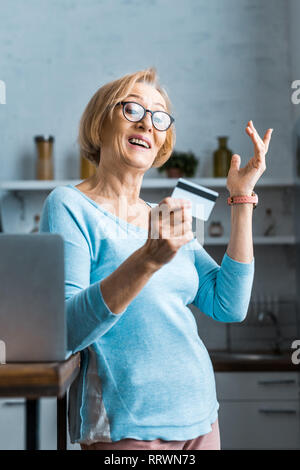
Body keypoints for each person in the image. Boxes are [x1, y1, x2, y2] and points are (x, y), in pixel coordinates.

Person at [39, 67, 273, 451]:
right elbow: (64, 332)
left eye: (158, 116)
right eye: (132, 109)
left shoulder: (163, 217)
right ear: (100, 124)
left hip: (201, 419)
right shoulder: (69, 206)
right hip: (126, 428)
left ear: (163, 140)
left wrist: (242, 200)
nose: (147, 122)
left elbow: (228, 305)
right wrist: (147, 260)